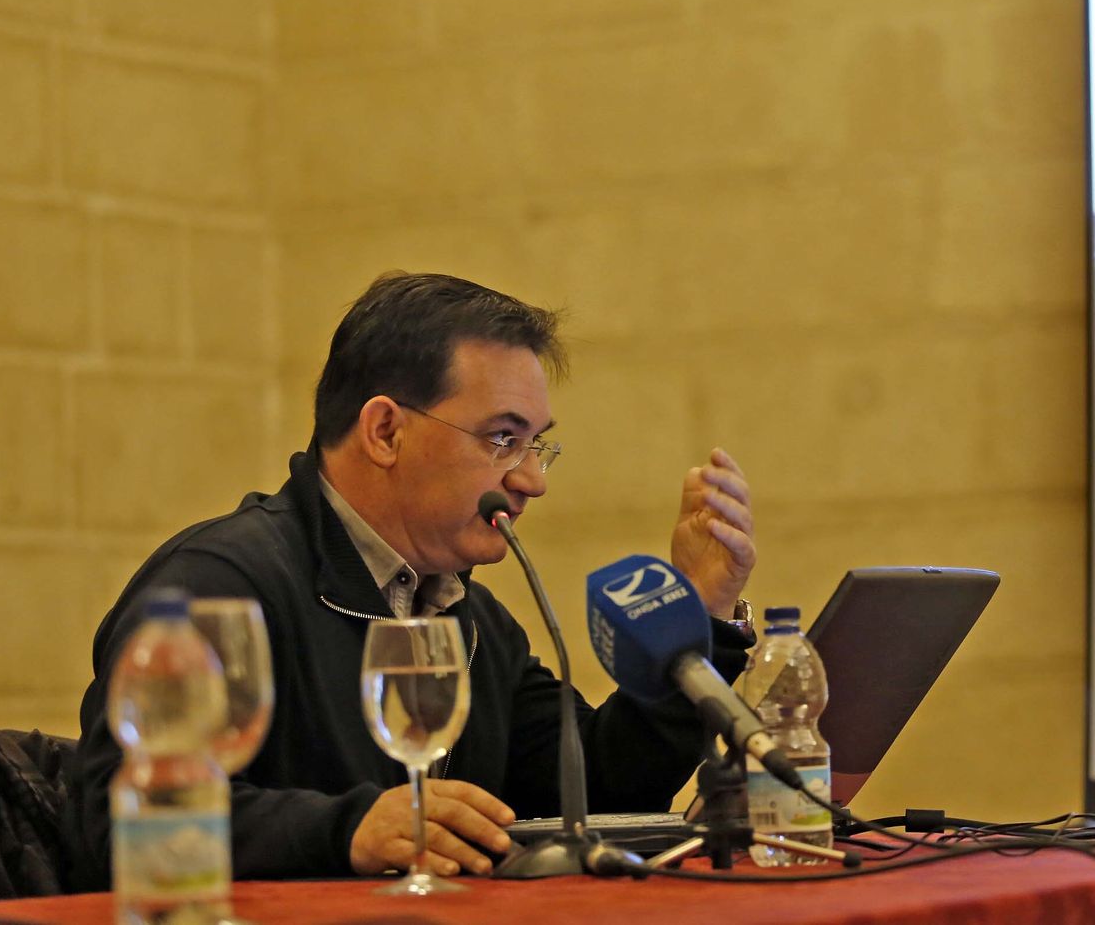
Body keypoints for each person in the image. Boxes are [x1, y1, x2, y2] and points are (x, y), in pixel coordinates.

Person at [63, 272, 758, 888]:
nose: (532, 480)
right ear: (386, 432)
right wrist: (351, 830)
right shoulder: (216, 587)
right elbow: (124, 819)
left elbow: (592, 791)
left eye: (538, 443)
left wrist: (701, 617)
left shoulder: (474, 620)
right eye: (502, 439)